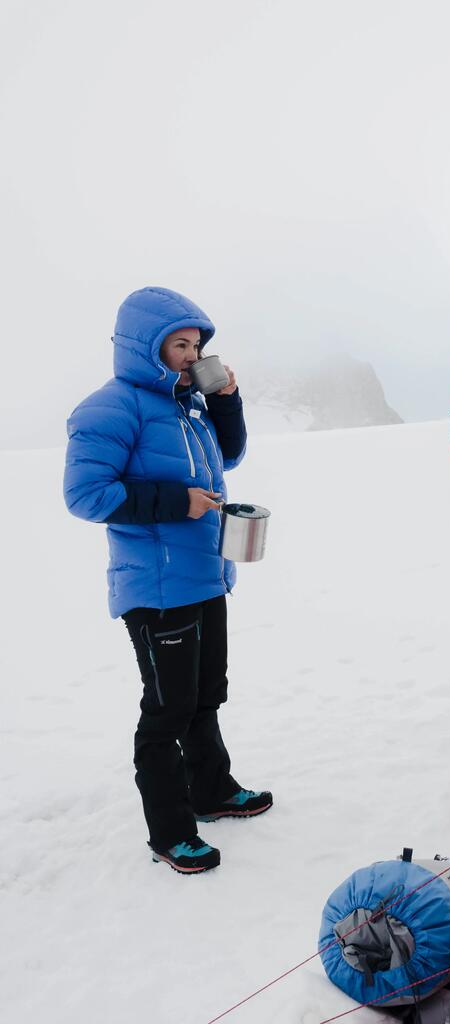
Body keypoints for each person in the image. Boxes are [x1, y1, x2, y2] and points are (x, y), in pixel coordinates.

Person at [64, 286, 271, 874]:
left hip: (205, 574)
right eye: (179, 344)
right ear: (144, 349)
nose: (191, 353)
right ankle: (170, 831)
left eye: (197, 344)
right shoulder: (110, 408)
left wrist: (226, 400)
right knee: (167, 710)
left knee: (206, 694)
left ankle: (212, 791)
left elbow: (227, 459)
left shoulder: (187, 407)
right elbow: (85, 495)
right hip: (154, 587)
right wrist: (176, 502)